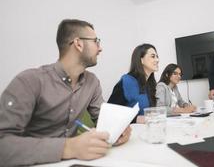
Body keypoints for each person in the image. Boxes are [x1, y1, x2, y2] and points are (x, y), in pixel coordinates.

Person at [0, 19, 131, 166]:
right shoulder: (29, 81)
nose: (100, 48)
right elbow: (3, 144)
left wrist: (118, 129)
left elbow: (103, 119)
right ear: (78, 44)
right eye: (96, 41)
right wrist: (68, 147)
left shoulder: (92, 82)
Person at [108, 43, 159, 123]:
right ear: (141, 60)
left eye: (157, 56)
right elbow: (110, 113)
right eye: (153, 56)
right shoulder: (127, 81)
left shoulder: (150, 84)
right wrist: (137, 119)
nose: (157, 60)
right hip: (129, 132)